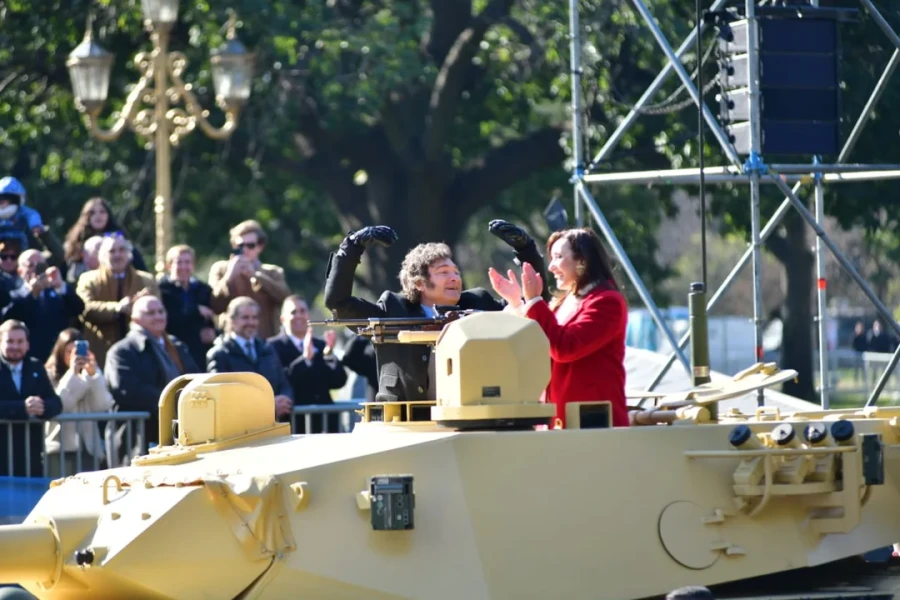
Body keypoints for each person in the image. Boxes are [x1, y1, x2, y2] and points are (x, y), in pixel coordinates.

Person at [323, 220, 549, 403]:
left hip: (473, 418)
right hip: (408, 424)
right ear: (420, 284)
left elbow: (536, 306)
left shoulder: (480, 302)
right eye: (443, 272)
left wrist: (526, 249)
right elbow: (338, 303)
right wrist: (351, 246)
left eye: (456, 272)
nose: (454, 278)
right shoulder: (393, 307)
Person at [489, 227, 629, 428]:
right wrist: (518, 302)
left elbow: (564, 347)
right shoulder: (565, 301)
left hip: (593, 423)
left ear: (582, 261)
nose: (551, 267)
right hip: (561, 421)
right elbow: (540, 341)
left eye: (558, 257)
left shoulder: (607, 302)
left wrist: (536, 300)